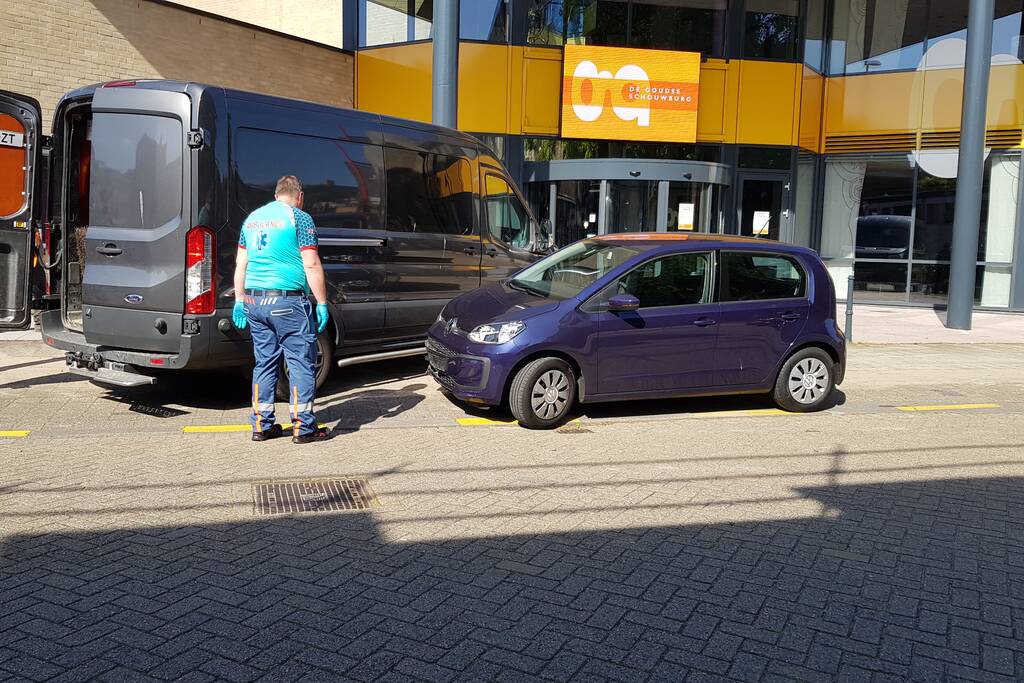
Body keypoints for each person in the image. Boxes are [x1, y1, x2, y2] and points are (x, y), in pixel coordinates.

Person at [232, 175, 331, 444]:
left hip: (254, 301)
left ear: (276, 195)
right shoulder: (298, 217)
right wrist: (322, 303)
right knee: (300, 361)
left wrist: (240, 300)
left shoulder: (251, 219)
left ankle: (262, 425)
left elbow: (241, 264)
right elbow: (310, 263)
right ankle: (304, 428)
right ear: (299, 197)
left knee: (264, 362)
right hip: (286, 302)